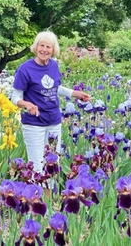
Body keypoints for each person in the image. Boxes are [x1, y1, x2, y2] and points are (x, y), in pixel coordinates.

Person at [11, 31, 90, 174]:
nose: (44, 50)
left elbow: (54, 87)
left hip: (54, 120)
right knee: (37, 166)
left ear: (53, 50)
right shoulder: (25, 69)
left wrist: (74, 93)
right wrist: (27, 104)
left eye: (49, 47)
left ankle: (51, 197)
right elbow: (15, 96)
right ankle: (36, 196)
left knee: (53, 165)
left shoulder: (53, 65)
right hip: (34, 123)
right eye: (42, 45)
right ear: (36, 47)